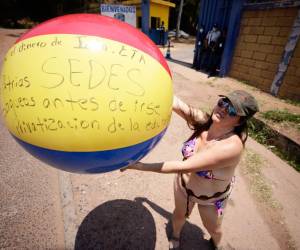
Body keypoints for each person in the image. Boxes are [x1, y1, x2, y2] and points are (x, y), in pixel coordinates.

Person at [122, 90, 259, 249]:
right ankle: (175, 237)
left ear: (239, 122)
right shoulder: (205, 121)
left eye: (232, 110)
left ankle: (217, 244)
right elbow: (174, 101)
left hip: (212, 199)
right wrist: (139, 91)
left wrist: (138, 166)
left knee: (213, 228)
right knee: (179, 216)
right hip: (184, 187)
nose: (223, 109)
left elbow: (183, 166)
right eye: (223, 102)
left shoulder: (231, 147)